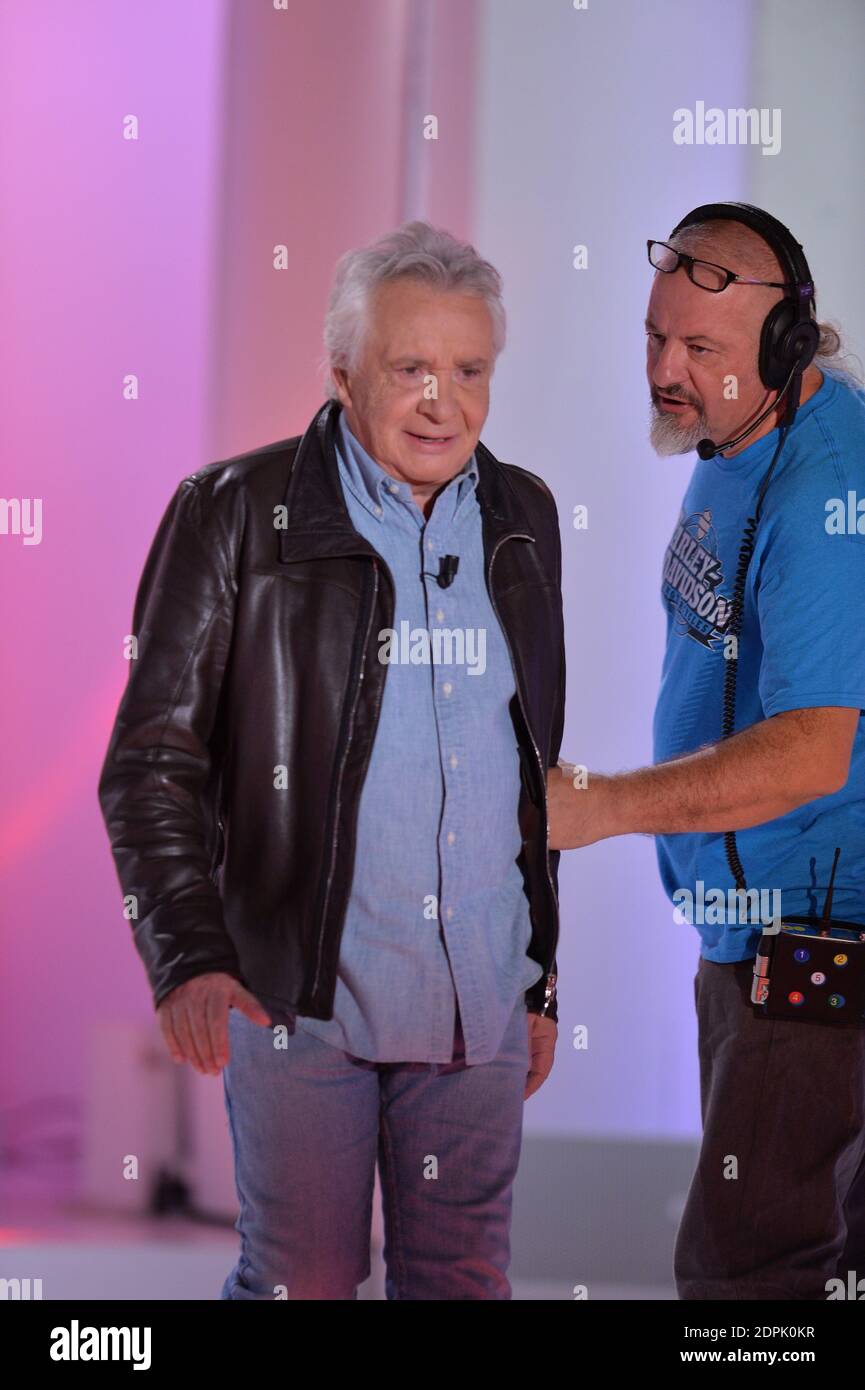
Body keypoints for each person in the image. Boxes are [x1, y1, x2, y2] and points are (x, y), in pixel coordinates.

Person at [98, 220, 565, 1300]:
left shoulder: (525, 516)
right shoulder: (230, 513)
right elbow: (151, 758)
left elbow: (529, 766)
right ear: (344, 371)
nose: (441, 400)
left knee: (459, 1283)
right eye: (410, 368)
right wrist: (188, 955)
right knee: (299, 1283)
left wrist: (542, 976)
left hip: (478, 1003)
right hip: (297, 1001)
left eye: (468, 369)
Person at [548, 203, 865, 1300]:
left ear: (783, 346)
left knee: (748, 1271)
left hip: (817, 944)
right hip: (751, 931)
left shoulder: (824, 489)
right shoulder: (734, 437)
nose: (665, 370)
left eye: (699, 350)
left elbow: (814, 752)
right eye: (654, 338)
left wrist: (606, 805)